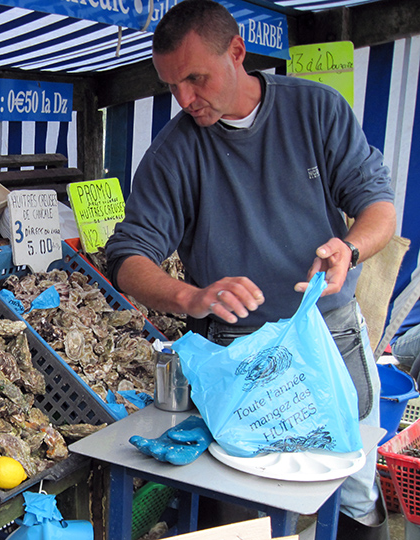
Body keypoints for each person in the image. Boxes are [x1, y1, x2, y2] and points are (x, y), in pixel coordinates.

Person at [104, 0, 397, 537]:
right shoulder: (173, 153)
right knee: (244, 497)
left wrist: (349, 249)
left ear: (237, 52)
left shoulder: (316, 109)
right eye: (172, 85)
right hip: (232, 350)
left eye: (195, 78)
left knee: (349, 483)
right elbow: (127, 258)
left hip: (327, 334)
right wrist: (190, 297)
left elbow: (378, 204)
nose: (185, 99)